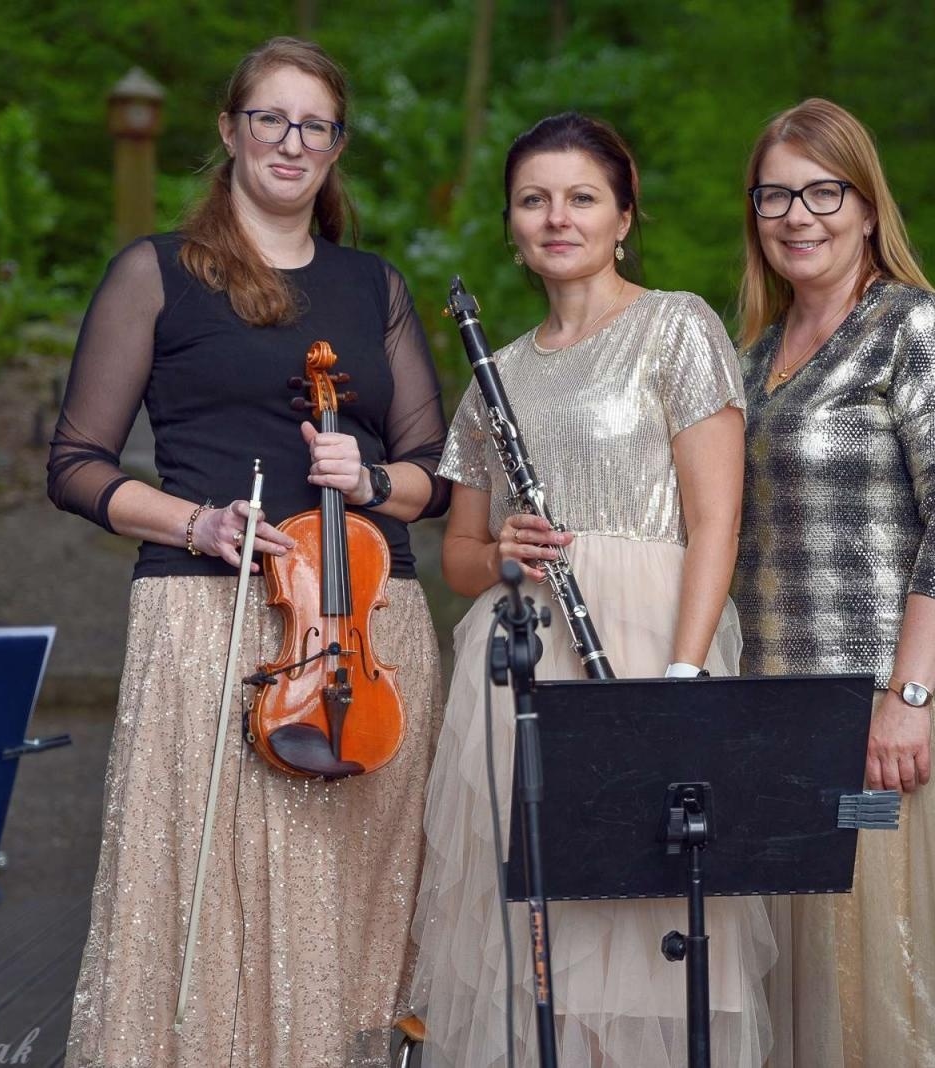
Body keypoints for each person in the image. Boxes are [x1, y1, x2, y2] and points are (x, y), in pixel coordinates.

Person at [47, 37, 449, 1068]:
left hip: (366, 619)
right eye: (269, 117)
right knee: (203, 887)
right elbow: (77, 464)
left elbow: (433, 474)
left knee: (355, 897)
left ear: (335, 146)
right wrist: (198, 523)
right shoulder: (157, 274)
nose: (291, 141)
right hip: (205, 617)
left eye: (314, 124)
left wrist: (367, 484)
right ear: (229, 132)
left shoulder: (373, 286)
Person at [411, 113, 774, 1068]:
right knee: (532, 933)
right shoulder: (498, 375)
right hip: (521, 661)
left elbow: (716, 524)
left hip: (651, 638)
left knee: (652, 913)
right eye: (534, 200)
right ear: (511, 224)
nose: (556, 218)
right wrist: (505, 558)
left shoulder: (677, 325)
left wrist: (686, 674)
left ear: (623, 215)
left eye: (581, 198)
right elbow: (456, 558)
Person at [731, 98, 935, 1068]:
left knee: (885, 973)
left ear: (866, 207)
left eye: (823, 191)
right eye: (774, 194)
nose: (796, 215)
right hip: (780, 717)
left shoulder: (913, 328)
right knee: (807, 975)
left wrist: (907, 695)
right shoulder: (751, 361)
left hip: (880, 726)